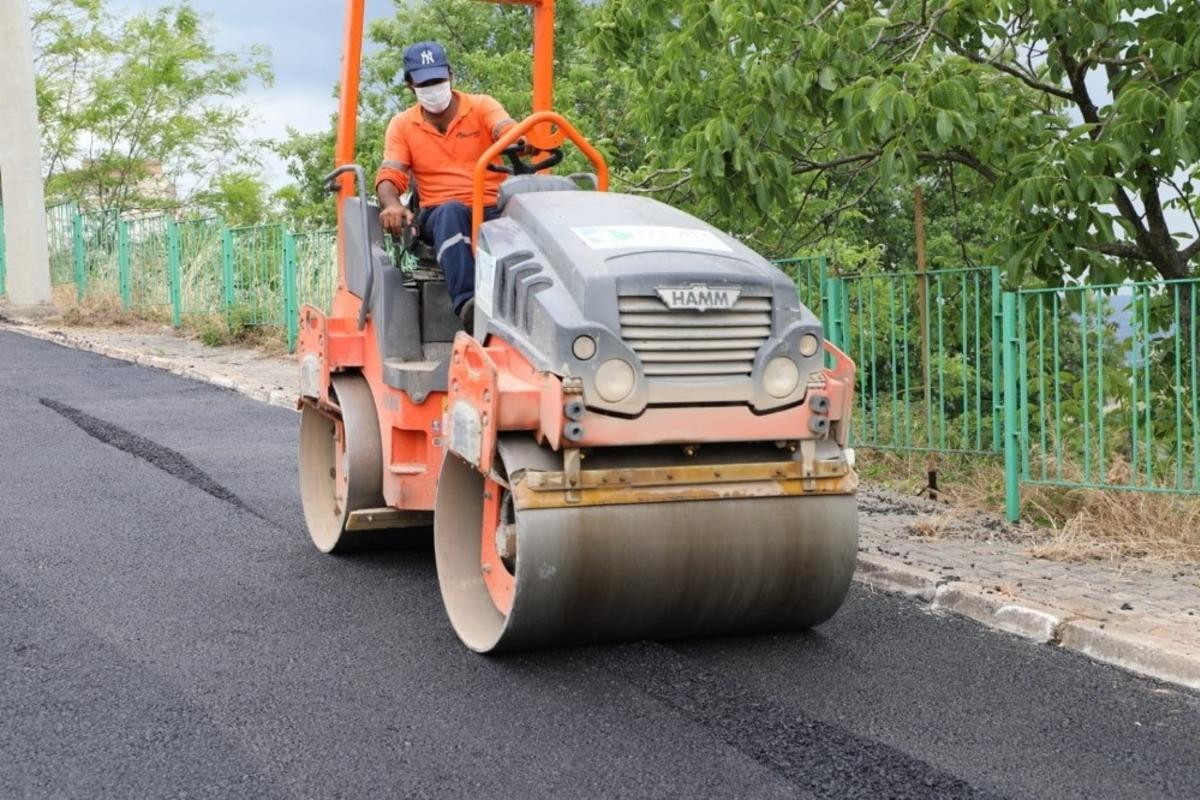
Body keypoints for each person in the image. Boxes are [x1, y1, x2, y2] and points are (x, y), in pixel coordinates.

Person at [374, 41, 518, 329]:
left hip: (493, 207)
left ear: (451, 75)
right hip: (439, 214)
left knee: (532, 211)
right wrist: (391, 203)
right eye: (425, 83)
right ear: (409, 85)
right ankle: (470, 305)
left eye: (439, 80)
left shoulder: (481, 107)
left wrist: (516, 139)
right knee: (452, 212)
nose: (434, 88)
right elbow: (392, 174)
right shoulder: (403, 125)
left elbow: (505, 127)